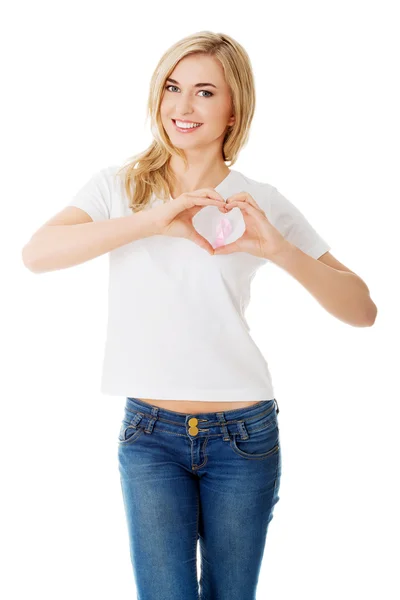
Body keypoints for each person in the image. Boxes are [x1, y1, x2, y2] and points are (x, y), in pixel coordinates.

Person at [22, 30, 377, 600]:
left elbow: (362, 309)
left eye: (205, 92)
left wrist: (277, 250)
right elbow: (37, 254)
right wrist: (156, 218)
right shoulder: (121, 187)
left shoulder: (258, 200)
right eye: (172, 88)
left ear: (235, 107)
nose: (182, 107)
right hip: (149, 435)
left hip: (243, 436)